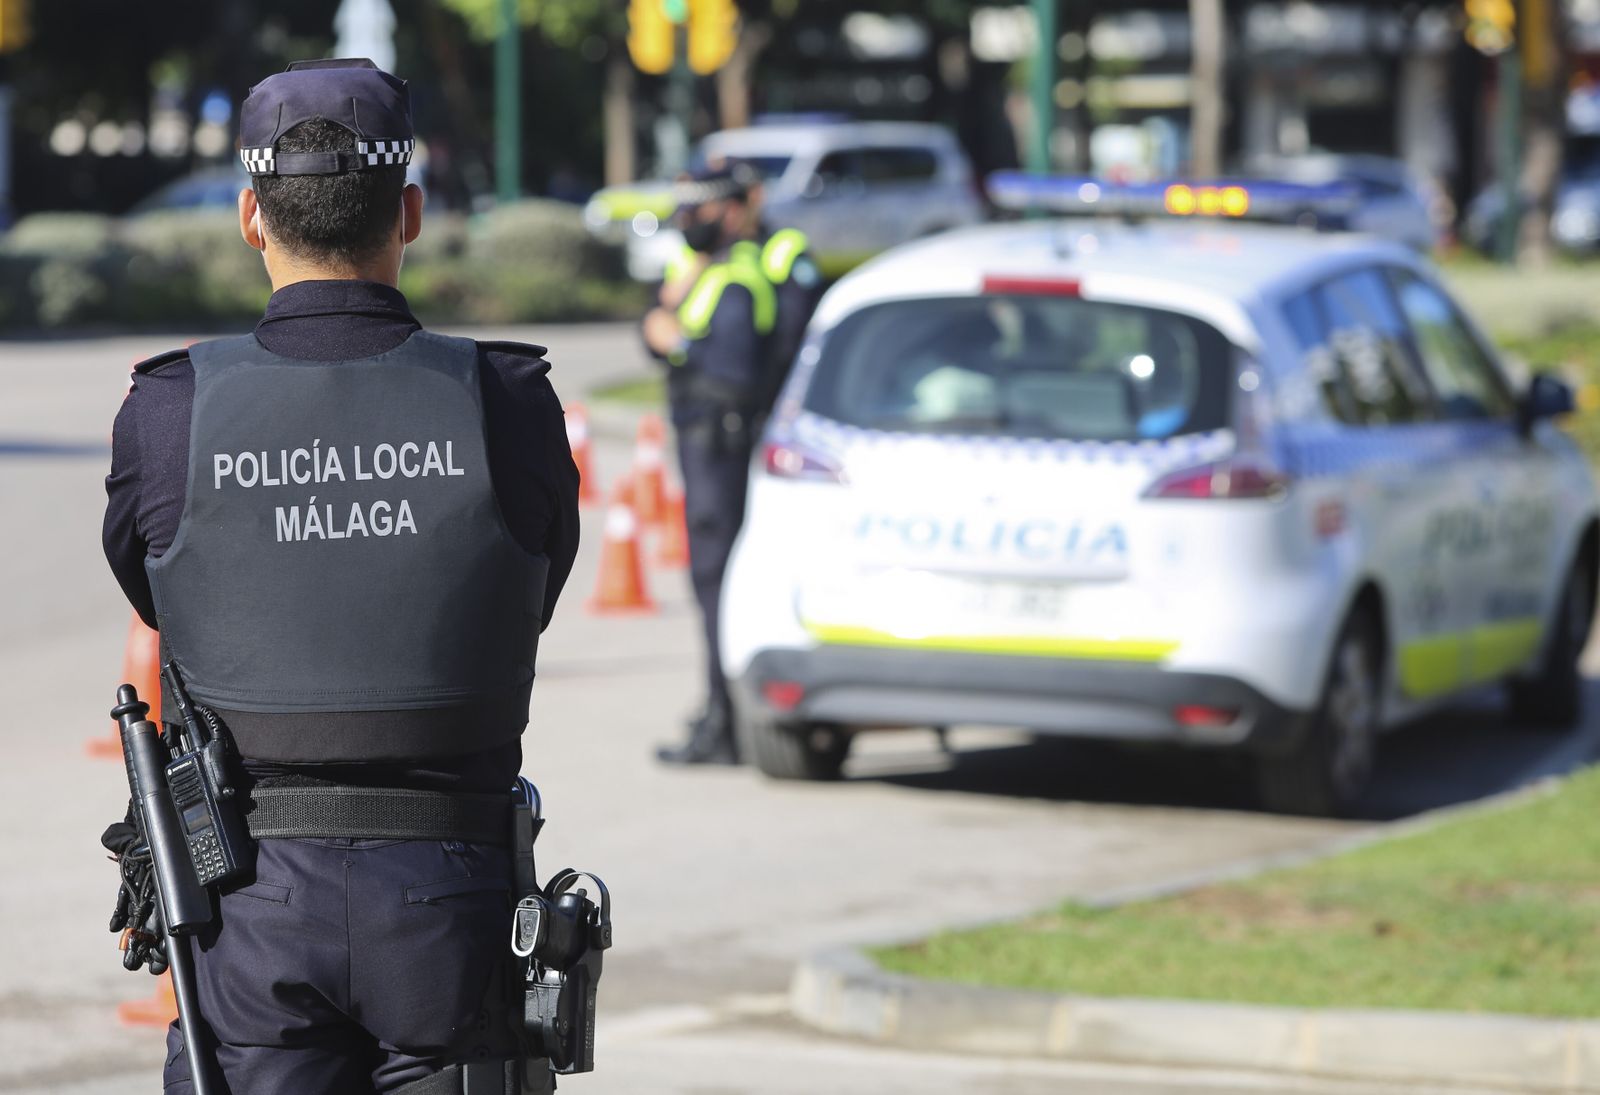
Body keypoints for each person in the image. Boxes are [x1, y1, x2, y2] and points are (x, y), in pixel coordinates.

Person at [100, 59, 579, 1094]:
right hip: (454, 899)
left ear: (248, 216)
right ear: (409, 211)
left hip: (246, 907)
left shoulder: (171, 410)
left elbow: (159, 594)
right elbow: (527, 592)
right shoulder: (507, 400)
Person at [642, 167, 777, 766]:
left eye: (700, 210)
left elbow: (733, 373)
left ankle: (727, 724)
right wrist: (662, 334)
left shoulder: (741, 278)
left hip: (721, 448)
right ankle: (720, 710)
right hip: (702, 448)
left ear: (729, 211)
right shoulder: (699, 270)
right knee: (709, 584)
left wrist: (676, 344)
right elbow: (653, 323)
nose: (688, 222)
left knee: (719, 583)